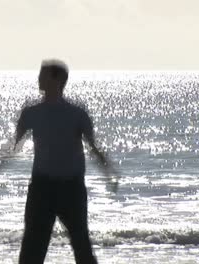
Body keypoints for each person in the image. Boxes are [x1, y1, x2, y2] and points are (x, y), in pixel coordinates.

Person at [15, 60, 118, 264]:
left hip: (71, 189)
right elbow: (13, 147)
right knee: (32, 250)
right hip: (41, 188)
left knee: (82, 247)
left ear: (58, 80)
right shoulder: (31, 113)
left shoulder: (77, 114)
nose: (39, 79)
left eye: (43, 75)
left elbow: (93, 147)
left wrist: (109, 172)